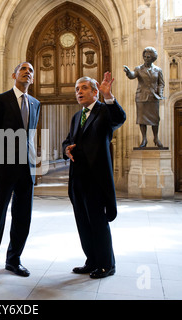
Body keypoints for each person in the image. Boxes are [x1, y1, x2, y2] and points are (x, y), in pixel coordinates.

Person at [0, 62, 41, 286]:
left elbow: (30, 136)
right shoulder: (0, 100)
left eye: (31, 71)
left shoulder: (35, 103)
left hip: (27, 167)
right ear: (14, 74)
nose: (27, 73)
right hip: (5, 166)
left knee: (23, 215)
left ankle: (14, 259)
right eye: (23, 69)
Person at [62, 72, 126, 279]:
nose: (79, 92)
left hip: (96, 180)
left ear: (95, 91)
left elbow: (119, 118)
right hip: (77, 180)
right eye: (77, 89)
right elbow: (67, 140)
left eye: (83, 88)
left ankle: (107, 265)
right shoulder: (76, 116)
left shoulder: (104, 112)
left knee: (98, 223)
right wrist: (66, 149)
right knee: (83, 222)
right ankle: (91, 261)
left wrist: (109, 97)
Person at [124, 47, 164, 148]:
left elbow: (161, 83)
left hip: (153, 97)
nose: (146, 58)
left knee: (155, 119)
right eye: (145, 56)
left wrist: (160, 93)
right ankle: (144, 139)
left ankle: (156, 138)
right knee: (142, 119)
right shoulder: (139, 69)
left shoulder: (158, 70)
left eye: (149, 57)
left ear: (153, 58)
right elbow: (133, 75)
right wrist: (128, 73)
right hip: (141, 96)